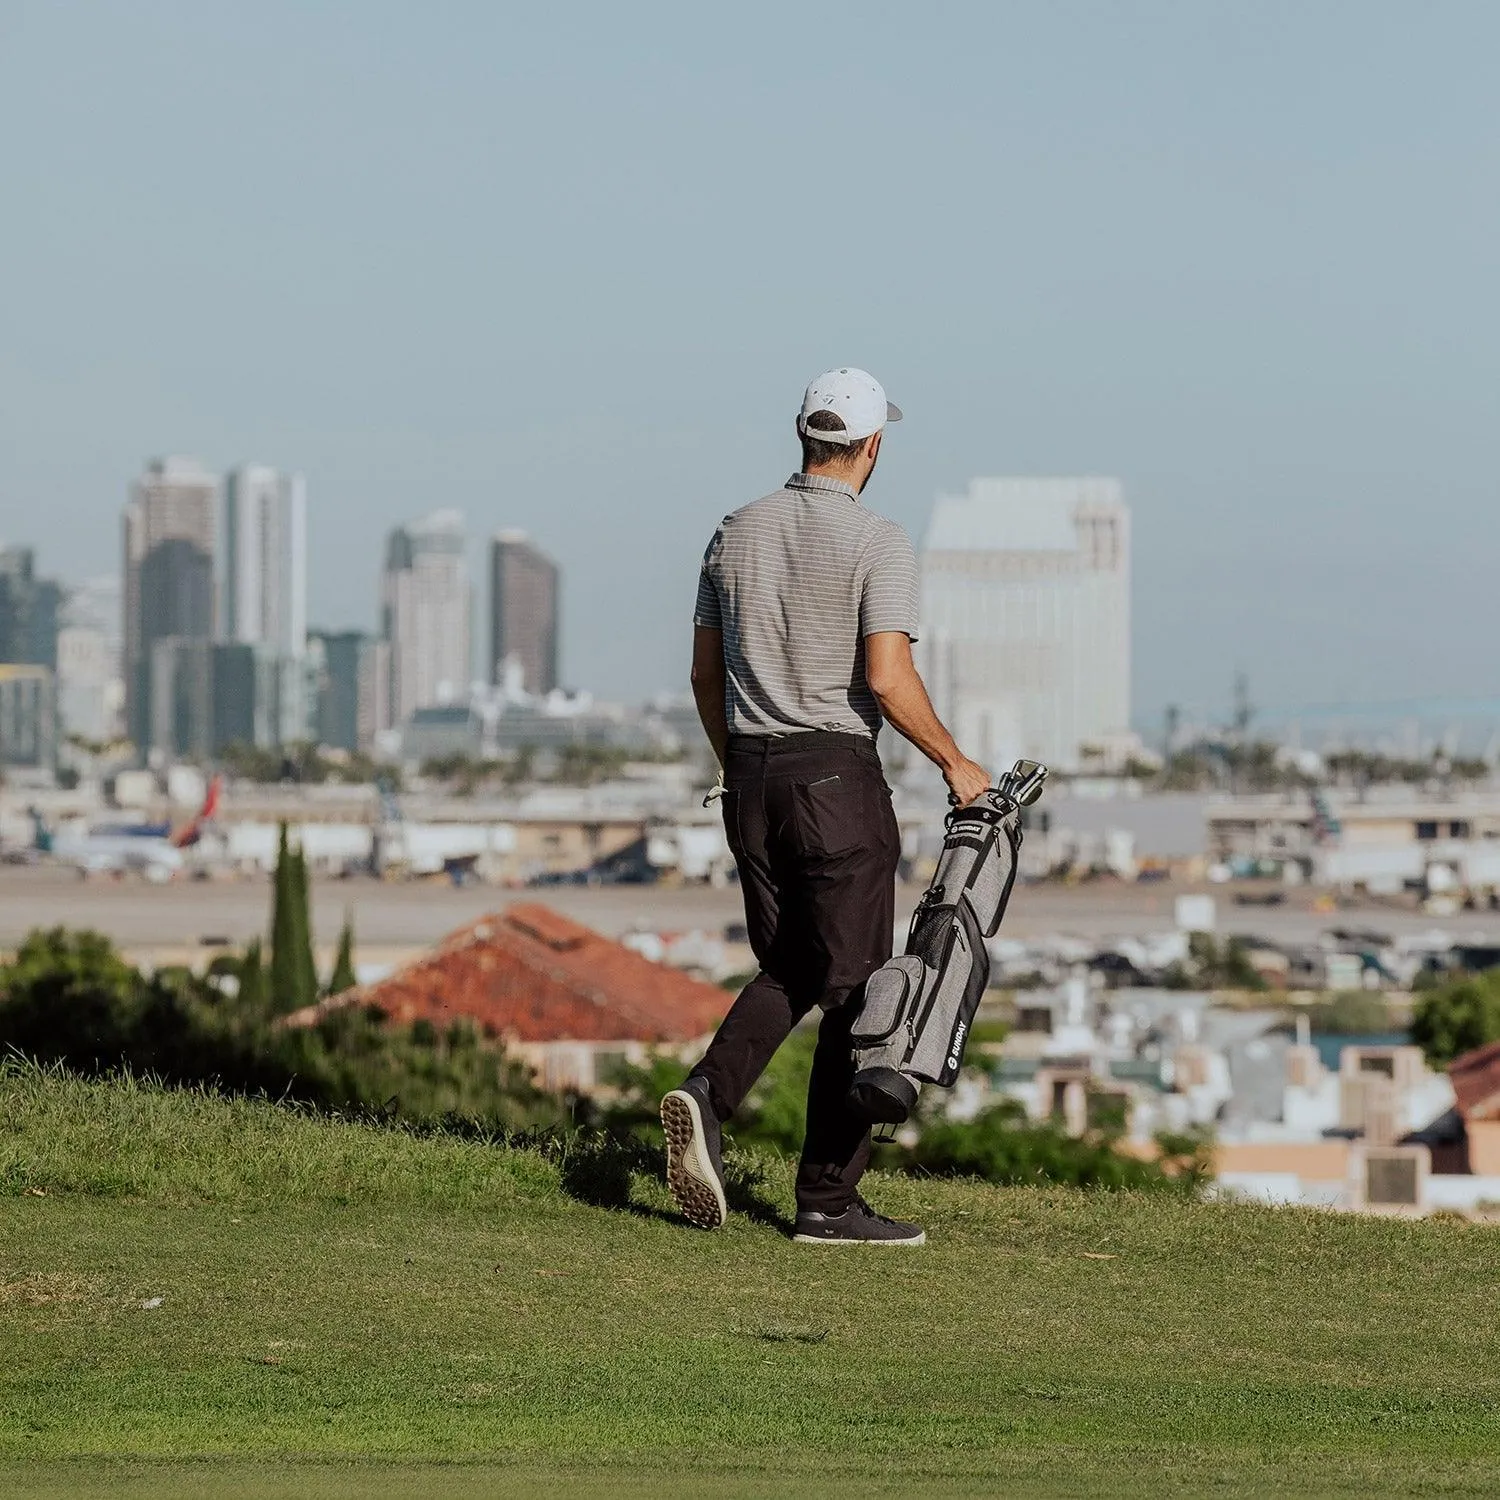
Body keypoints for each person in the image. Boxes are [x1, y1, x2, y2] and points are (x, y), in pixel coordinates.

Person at [660, 368, 990, 1246]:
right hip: (836, 780)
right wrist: (956, 762)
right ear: (873, 446)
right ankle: (827, 1200)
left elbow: (703, 674)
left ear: (802, 436)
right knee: (856, 991)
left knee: (800, 967)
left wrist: (739, 767)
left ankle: (708, 1098)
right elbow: (886, 677)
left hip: (750, 779)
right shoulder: (879, 542)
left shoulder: (733, 532)